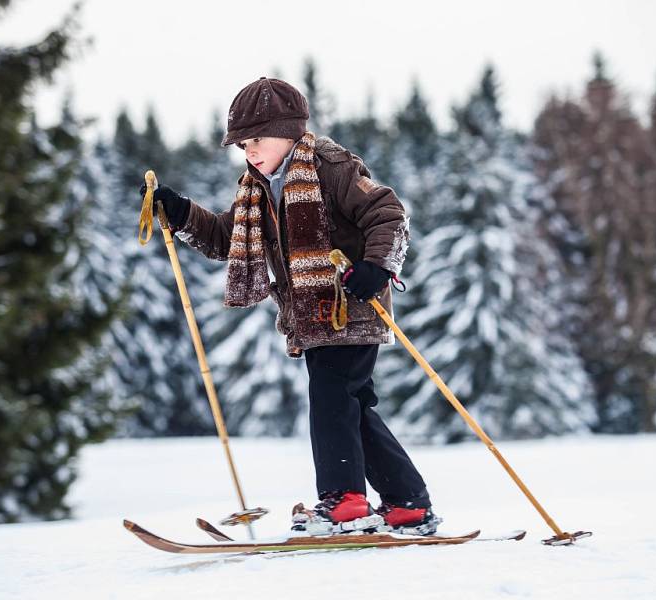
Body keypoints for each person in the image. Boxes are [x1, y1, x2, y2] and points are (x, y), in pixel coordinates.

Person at [144, 77, 438, 536]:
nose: (250, 151)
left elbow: (388, 213)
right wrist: (181, 214)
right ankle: (406, 503)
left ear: (290, 130)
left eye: (258, 139)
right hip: (309, 317)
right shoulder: (257, 189)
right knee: (352, 406)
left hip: (350, 305)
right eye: (243, 144)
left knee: (332, 400)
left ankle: (343, 501)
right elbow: (226, 239)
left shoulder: (330, 166)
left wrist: (377, 266)